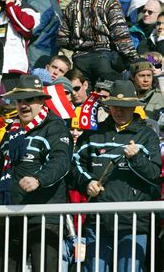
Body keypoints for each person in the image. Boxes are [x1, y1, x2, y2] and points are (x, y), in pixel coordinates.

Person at [70, 80, 161, 271]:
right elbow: (74, 165)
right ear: (109, 106)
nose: (121, 111)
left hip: (133, 223)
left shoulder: (147, 135)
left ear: (134, 107)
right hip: (98, 221)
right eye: (117, 106)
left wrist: (136, 159)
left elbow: (154, 175)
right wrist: (87, 183)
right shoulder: (92, 135)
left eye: (126, 107)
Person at [0, 75, 73, 271]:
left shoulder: (55, 127)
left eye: (29, 100)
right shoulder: (10, 130)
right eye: (20, 100)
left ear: (41, 101)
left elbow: (61, 161)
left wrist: (38, 179)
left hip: (44, 216)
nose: (23, 105)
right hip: (11, 215)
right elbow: (1, 171)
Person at [58, 0, 138, 88]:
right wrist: (134, 59)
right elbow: (121, 35)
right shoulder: (109, 1)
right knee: (107, 102)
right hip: (104, 60)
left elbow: (62, 38)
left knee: (85, 103)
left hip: (79, 62)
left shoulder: (73, 4)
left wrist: (79, 44)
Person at [23, 0, 62, 69]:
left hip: (34, 56)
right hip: (47, 54)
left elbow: (29, 28)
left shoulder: (39, 1)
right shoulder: (52, 1)